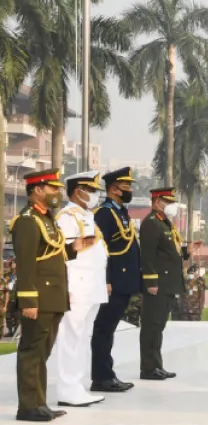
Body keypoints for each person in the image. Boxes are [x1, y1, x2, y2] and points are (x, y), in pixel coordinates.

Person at [11, 169, 69, 422]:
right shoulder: (27, 220)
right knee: (31, 352)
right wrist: (28, 301)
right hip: (39, 296)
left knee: (42, 353)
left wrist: (74, 249)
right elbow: (25, 264)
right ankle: (27, 407)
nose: (57, 193)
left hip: (52, 296)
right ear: (38, 190)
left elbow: (51, 252)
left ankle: (39, 402)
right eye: (52, 188)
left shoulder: (46, 218)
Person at [53, 171, 109, 408]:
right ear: (79, 191)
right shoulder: (67, 216)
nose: (96, 195)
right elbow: (63, 254)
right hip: (77, 286)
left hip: (92, 286)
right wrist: (65, 287)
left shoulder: (87, 215)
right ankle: (67, 389)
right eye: (92, 190)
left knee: (82, 337)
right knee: (71, 337)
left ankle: (77, 385)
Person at [90, 167, 139, 393]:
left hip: (124, 279)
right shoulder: (104, 213)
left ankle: (107, 374)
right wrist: (106, 279)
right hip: (114, 281)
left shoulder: (120, 211)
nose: (130, 190)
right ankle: (102, 377)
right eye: (126, 186)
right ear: (114, 188)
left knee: (109, 329)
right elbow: (102, 249)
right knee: (104, 328)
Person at [139, 187, 193, 381]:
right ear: (156, 202)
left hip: (168, 283)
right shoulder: (151, 224)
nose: (172, 206)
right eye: (168, 202)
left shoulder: (165, 224)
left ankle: (156, 365)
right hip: (158, 284)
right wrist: (151, 281)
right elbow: (148, 256)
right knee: (151, 326)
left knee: (159, 326)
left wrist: (187, 251)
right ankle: (148, 368)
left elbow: (169, 252)